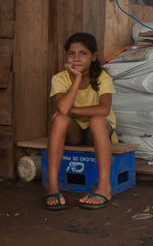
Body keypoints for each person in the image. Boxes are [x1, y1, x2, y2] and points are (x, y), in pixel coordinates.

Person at [45, 32, 117, 210]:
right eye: (71, 53)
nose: (76, 58)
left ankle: (104, 187)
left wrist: (72, 110)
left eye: (83, 53)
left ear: (93, 56)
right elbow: (62, 110)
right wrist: (76, 78)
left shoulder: (102, 76)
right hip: (75, 131)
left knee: (97, 121)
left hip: (98, 132)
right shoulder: (60, 78)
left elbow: (104, 109)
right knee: (60, 119)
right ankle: (52, 186)